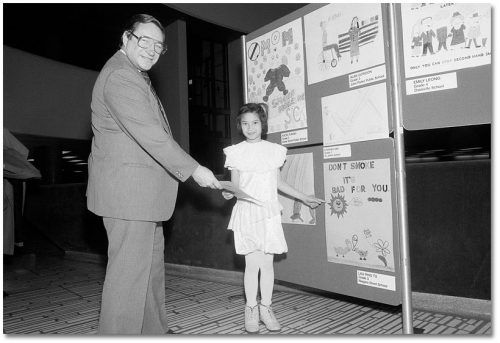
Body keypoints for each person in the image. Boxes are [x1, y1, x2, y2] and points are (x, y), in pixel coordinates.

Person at [86, 14, 221, 335]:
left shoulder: (132, 74)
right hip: (128, 198)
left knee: (149, 274)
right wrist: (194, 169)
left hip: (142, 198)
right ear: (125, 38)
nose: (151, 49)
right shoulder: (120, 75)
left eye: (158, 46)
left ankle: (153, 333)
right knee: (129, 279)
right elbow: (150, 134)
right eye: (144, 40)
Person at [222, 103, 324, 333]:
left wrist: (305, 197)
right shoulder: (235, 152)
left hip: (268, 213)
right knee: (251, 264)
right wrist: (228, 192)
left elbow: (279, 183)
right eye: (246, 123)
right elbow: (235, 186)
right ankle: (250, 308)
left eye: (255, 123)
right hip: (247, 212)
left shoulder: (273, 150)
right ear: (240, 126)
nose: (250, 127)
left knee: (267, 264)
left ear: (263, 125)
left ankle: (266, 308)